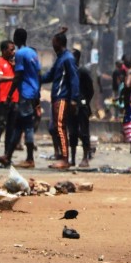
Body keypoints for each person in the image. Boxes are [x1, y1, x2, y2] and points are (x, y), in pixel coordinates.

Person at [39, 31, 79, 170]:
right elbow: (50, 76)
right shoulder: (60, 59)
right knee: (57, 127)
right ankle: (62, 156)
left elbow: (74, 79)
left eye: (53, 41)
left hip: (63, 97)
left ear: (58, 42)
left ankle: (64, 159)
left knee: (60, 127)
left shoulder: (68, 58)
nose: (52, 44)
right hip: (56, 97)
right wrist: (36, 78)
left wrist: (74, 99)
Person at [7, 28, 41, 168]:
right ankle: (7, 156)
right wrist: (38, 96)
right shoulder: (33, 53)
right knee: (19, 125)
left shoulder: (20, 54)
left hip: (25, 94)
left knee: (26, 126)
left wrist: (10, 93)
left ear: (16, 38)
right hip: (33, 93)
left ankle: (30, 158)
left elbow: (18, 75)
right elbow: (38, 74)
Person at [0, 40, 17, 166]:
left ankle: (6, 156)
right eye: (11, 49)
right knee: (0, 127)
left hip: (15, 99)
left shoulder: (14, 64)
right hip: (3, 99)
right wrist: (14, 78)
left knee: (11, 130)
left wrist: (14, 66)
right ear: (4, 50)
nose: (13, 52)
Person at [71, 48, 95, 168]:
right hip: (71, 106)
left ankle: (85, 157)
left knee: (84, 132)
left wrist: (84, 102)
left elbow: (91, 90)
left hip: (82, 106)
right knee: (73, 132)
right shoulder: (68, 72)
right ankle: (73, 158)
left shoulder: (83, 71)